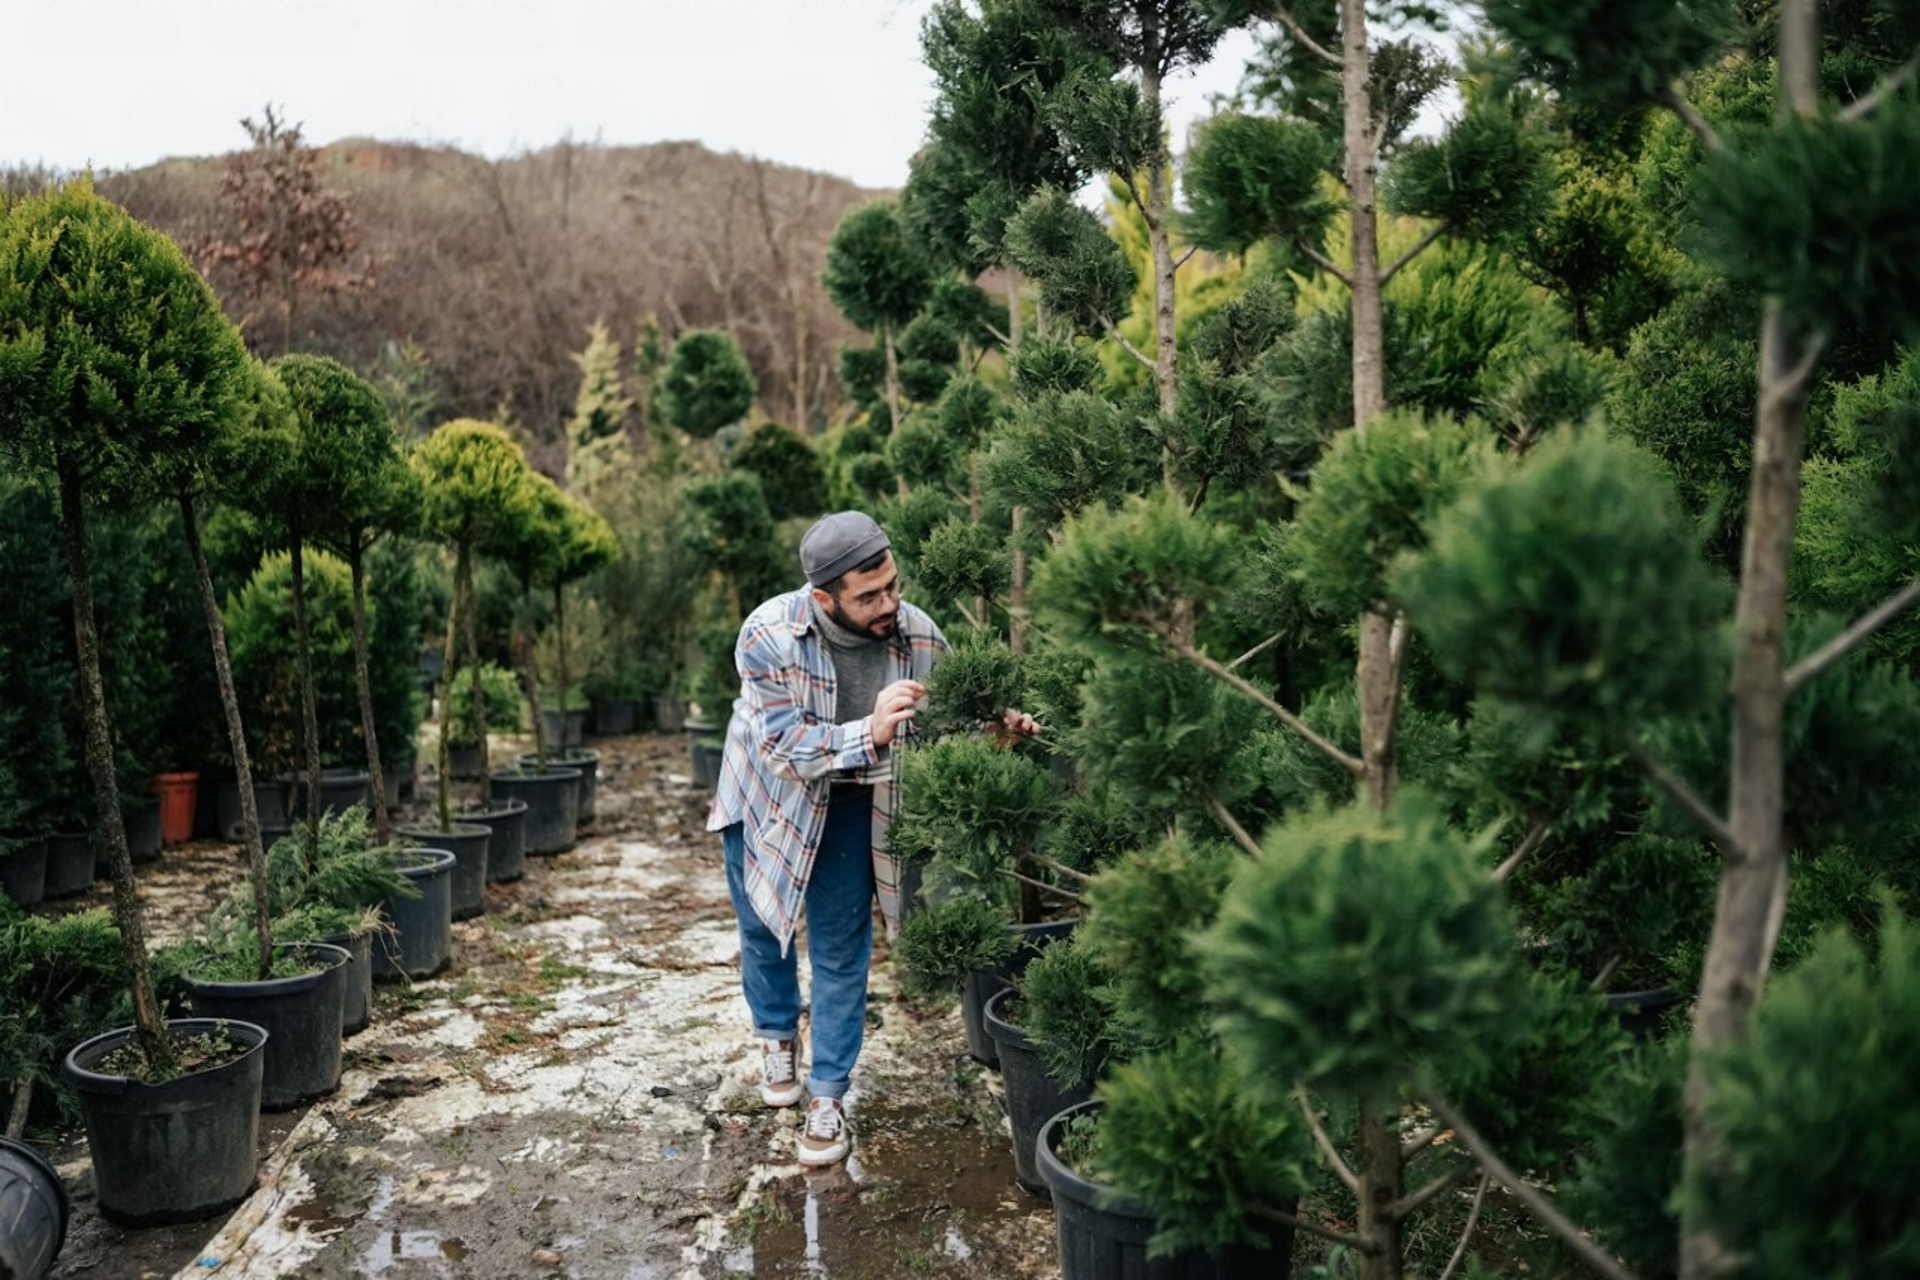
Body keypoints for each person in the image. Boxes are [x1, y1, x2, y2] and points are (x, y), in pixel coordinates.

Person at [706, 510, 1033, 1166]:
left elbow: (948, 724)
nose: (890, 604)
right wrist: (871, 731)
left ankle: (828, 1094)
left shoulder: (919, 636)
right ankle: (775, 1035)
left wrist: (994, 732)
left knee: (840, 946)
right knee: (762, 930)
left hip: (854, 798)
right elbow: (784, 748)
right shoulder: (767, 635)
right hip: (766, 794)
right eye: (870, 595)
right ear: (824, 598)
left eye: (893, 586)